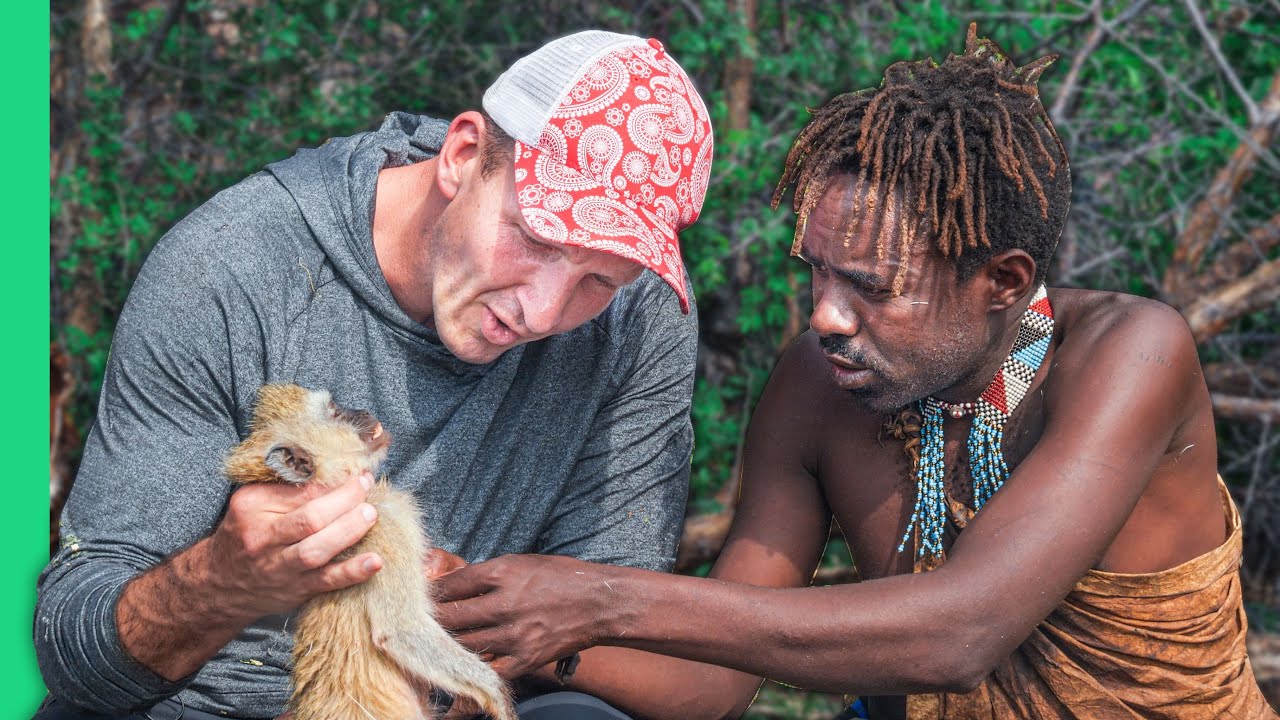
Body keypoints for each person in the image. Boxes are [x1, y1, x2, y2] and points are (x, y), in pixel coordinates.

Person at [430, 24, 1278, 719]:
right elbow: (711, 685)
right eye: (817, 272)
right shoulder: (817, 386)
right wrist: (513, 623)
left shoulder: (1128, 354)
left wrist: (599, 599)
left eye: (871, 287)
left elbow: (960, 636)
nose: (824, 316)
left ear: (1004, 283)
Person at [35, 30, 713, 720]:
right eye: (535, 238)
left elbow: (613, 628)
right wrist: (221, 583)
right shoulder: (230, 268)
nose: (542, 311)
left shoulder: (639, 312)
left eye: (597, 278)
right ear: (463, 155)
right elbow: (76, 655)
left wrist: (495, 624)